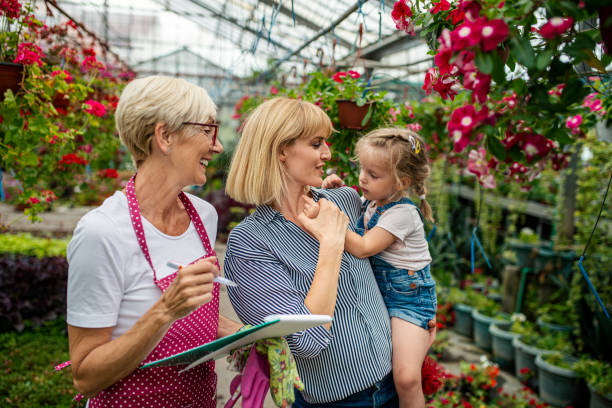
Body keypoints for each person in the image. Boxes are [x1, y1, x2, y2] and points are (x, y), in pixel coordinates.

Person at [65, 75, 241, 407]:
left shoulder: (204, 216)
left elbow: (197, 315)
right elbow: (86, 376)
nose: (217, 146)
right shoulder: (102, 233)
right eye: (207, 131)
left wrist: (251, 336)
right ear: (165, 136)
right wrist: (163, 311)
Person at [223, 97, 398, 407]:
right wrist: (330, 245)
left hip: (393, 381)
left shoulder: (343, 200)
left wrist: (418, 321)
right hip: (336, 402)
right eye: (316, 144)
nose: (327, 154)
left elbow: (393, 259)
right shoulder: (250, 244)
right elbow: (306, 341)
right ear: (280, 150)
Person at [309, 127, 437, 408]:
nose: (362, 178)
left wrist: (329, 218)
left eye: (373, 174)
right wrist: (336, 191)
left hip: (409, 300)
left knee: (406, 378)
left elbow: (363, 246)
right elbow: (355, 213)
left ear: (402, 181)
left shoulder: (403, 214)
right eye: (362, 169)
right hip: (382, 294)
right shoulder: (372, 202)